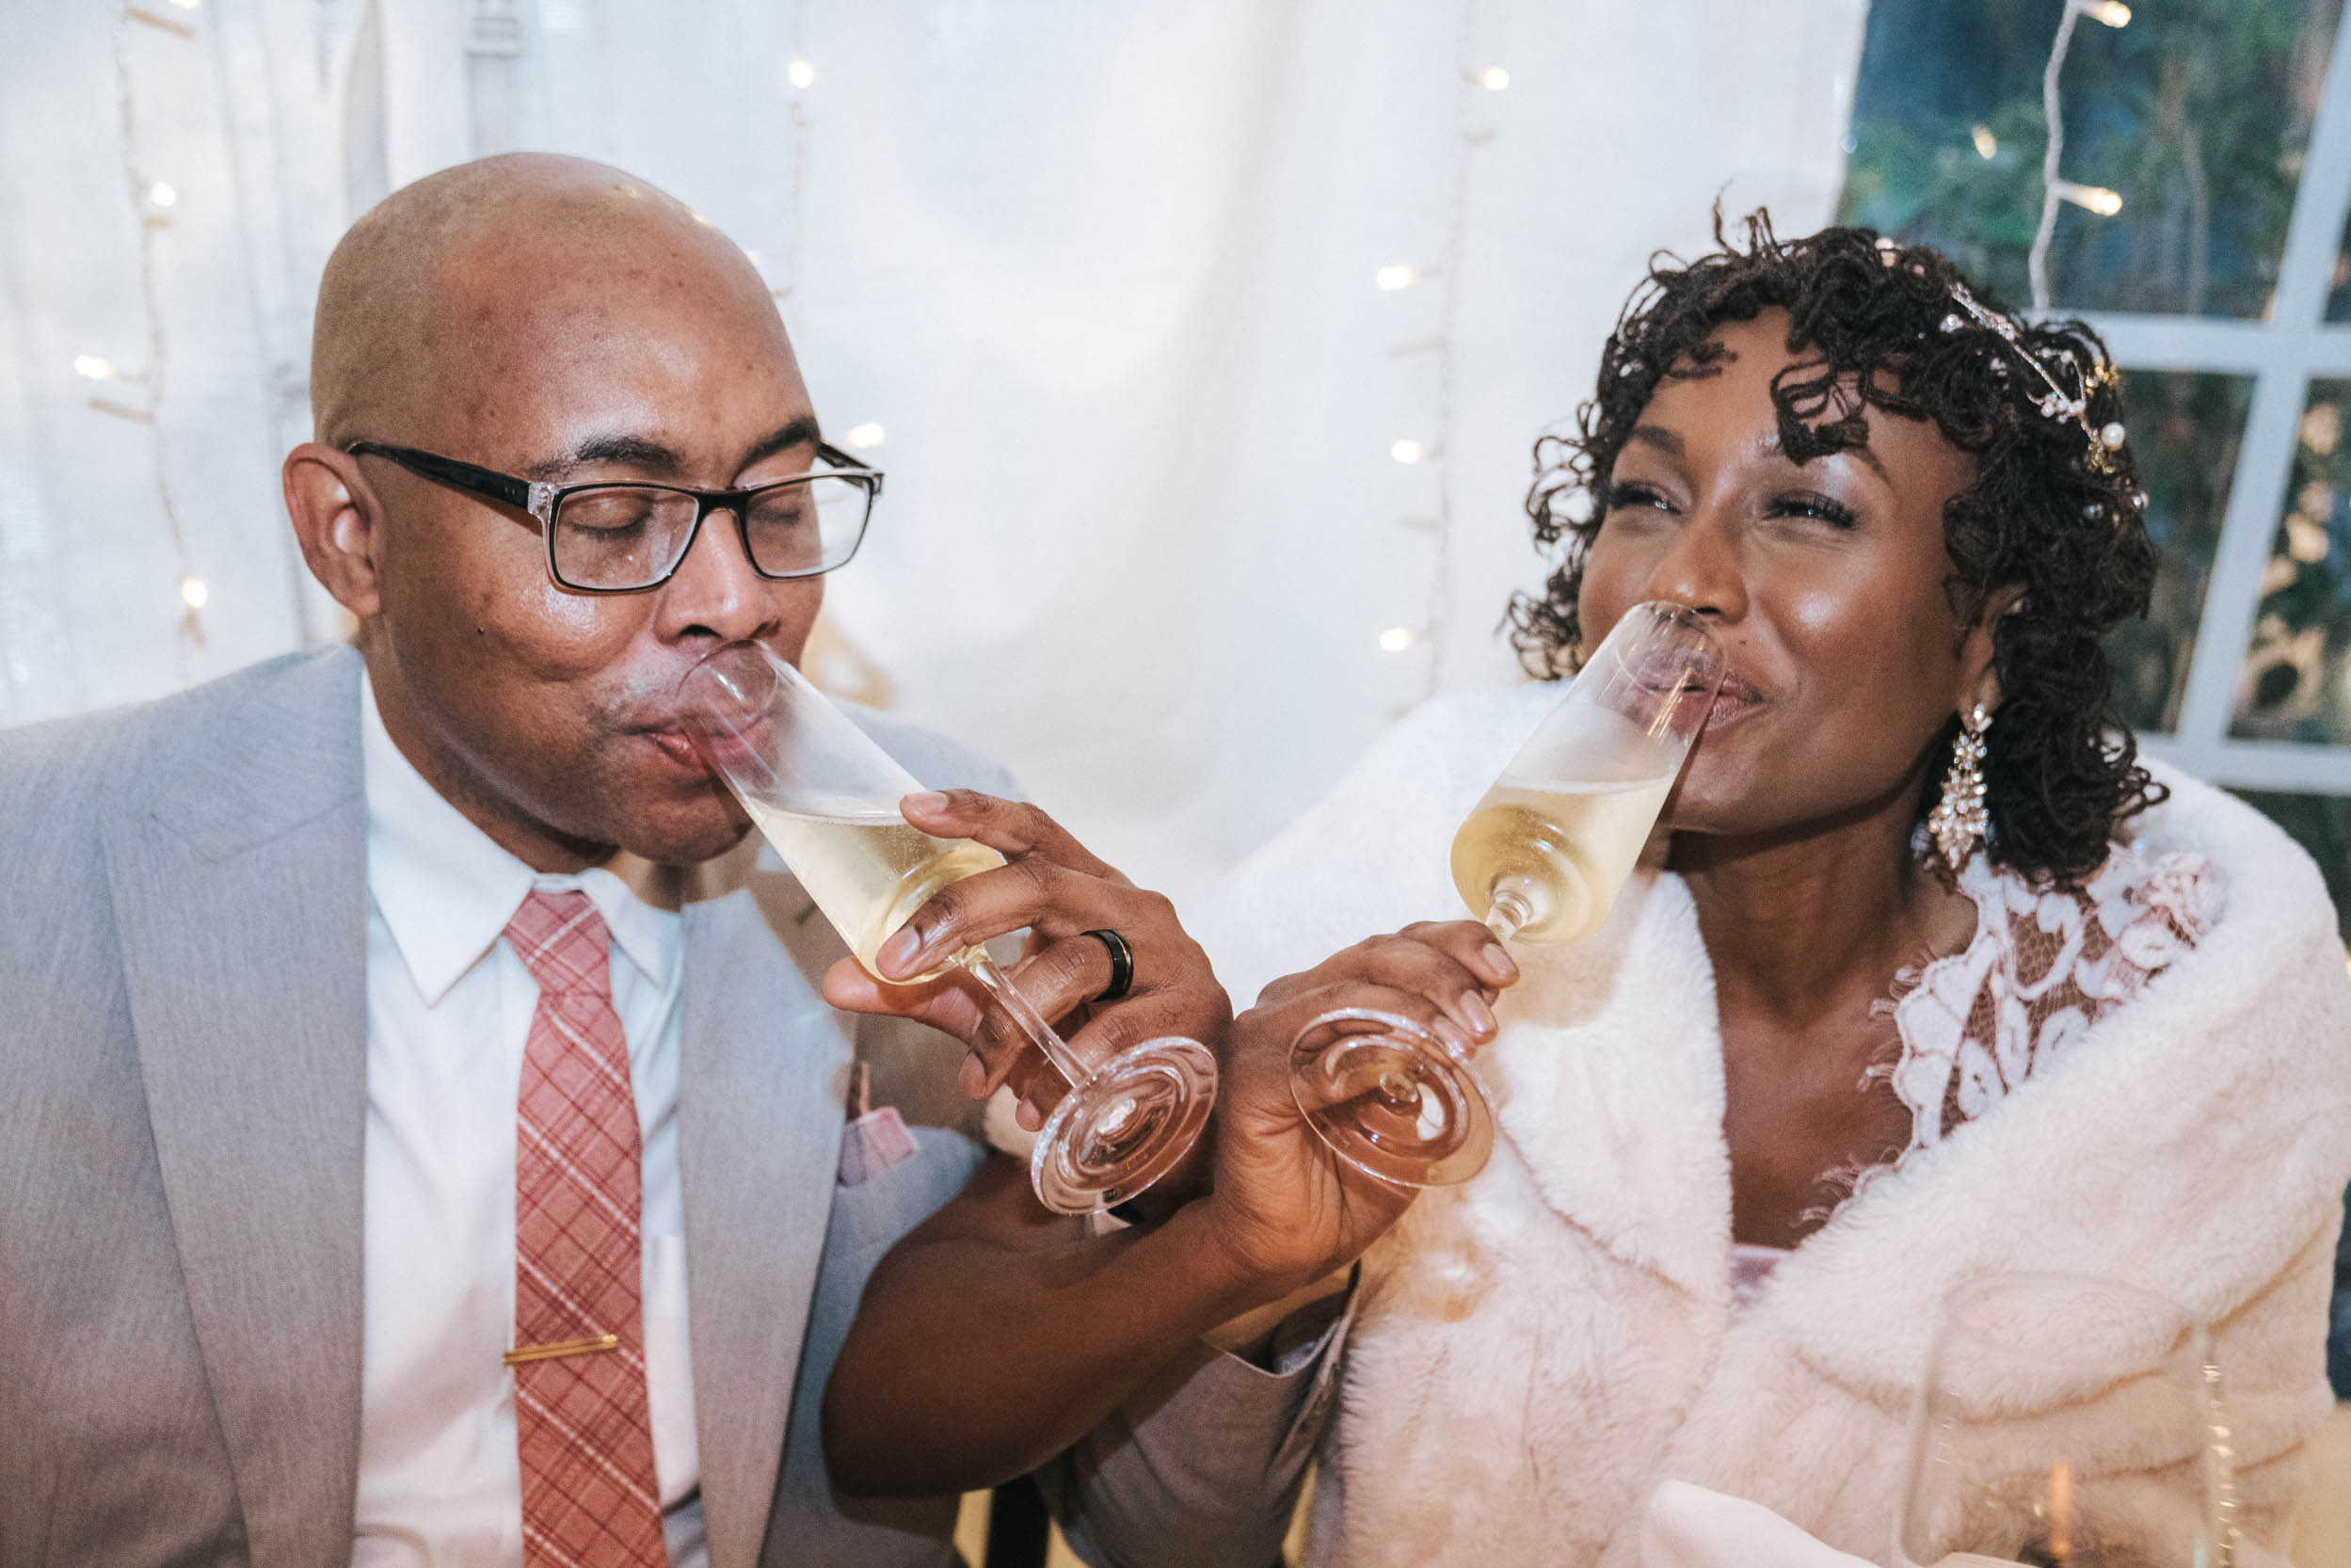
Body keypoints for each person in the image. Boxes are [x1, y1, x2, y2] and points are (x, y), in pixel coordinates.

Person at [829, 216, 2351, 1566]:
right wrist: (1235, 1240)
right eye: (1641, 497)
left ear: (1984, 644)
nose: (1681, 577)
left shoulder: (2184, 1029)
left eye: (1805, 508)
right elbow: (898, 1429)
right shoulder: (1429, 840)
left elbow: (2195, 1519)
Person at [0, 152, 1367, 1568]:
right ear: (350, 535)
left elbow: (1173, 1535)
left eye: (776, 503)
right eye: (606, 520)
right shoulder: (41, 872)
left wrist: (1180, 1187)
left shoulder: (927, 851)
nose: (742, 602)